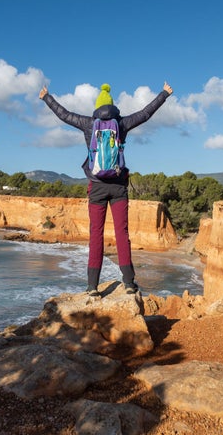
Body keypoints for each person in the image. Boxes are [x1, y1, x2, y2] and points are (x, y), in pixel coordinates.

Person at [39, 81, 173, 296]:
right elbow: (145, 114)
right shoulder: (121, 123)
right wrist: (164, 94)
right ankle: (129, 283)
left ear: (97, 106)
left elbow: (64, 115)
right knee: (122, 233)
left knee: (96, 235)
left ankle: (92, 286)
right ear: (112, 106)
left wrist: (46, 97)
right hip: (119, 187)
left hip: (97, 188)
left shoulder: (88, 123)